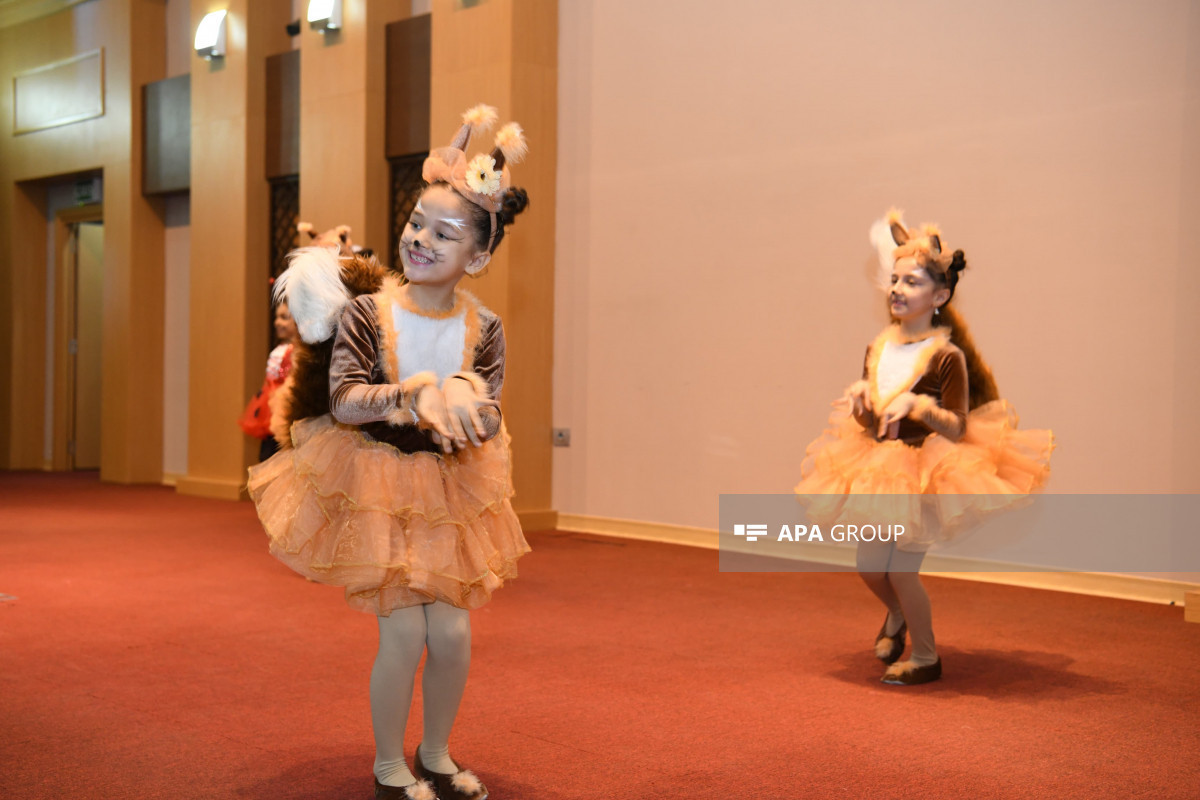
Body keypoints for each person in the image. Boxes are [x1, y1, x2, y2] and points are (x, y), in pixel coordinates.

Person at [248, 105, 530, 800]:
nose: (421, 239)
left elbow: (490, 410)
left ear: (480, 256)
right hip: (373, 476)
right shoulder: (366, 313)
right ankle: (388, 766)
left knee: (454, 635)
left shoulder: (484, 326)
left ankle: (435, 753)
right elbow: (344, 399)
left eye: (446, 233)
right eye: (415, 224)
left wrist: (472, 412)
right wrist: (410, 396)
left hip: (449, 485)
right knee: (404, 634)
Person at [794, 211, 1053, 686]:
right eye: (894, 280)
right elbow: (873, 424)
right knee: (871, 568)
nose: (896, 289)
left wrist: (919, 406)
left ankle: (927, 655)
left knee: (903, 570)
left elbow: (956, 428)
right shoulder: (879, 348)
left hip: (927, 474)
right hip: (878, 469)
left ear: (939, 296)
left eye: (910, 282)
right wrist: (860, 406)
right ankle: (896, 617)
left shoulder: (945, 357)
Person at [238, 302, 297, 461]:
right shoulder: (280, 349)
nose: (277, 322)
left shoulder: (297, 353)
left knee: (278, 455)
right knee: (266, 454)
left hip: (283, 410)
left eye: (284, 318)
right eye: (277, 317)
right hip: (267, 410)